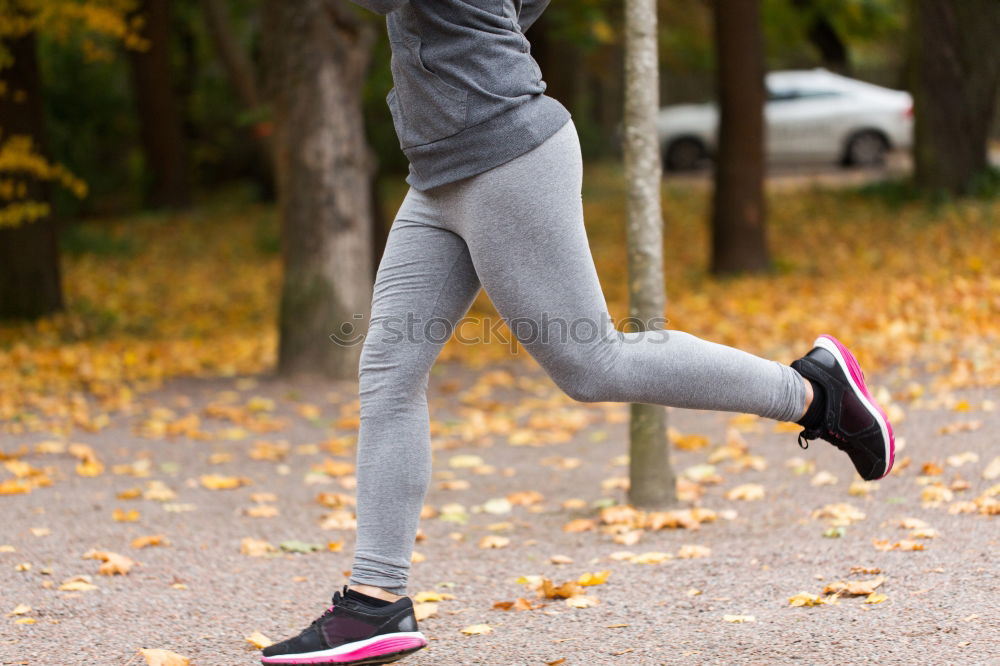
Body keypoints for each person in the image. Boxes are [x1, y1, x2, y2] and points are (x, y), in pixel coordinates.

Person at [260, 1, 895, 664]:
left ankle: (814, 394)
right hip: (440, 170)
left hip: (503, 156)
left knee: (593, 364)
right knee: (388, 371)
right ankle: (374, 602)